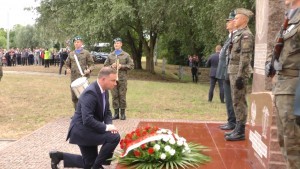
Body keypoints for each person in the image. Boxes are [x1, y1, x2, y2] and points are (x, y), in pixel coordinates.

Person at [49, 67, 120, 169]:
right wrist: (106, 128)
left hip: (90, 129)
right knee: (114, 137)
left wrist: (110, 125)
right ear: (103, 79)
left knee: (89, 163)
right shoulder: (90, 93)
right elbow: (87, 119)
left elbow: (107, 112)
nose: (115, 83)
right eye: (113, 80)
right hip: (82, 131)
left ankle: (59, 156)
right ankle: (97, 166)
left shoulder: (104, 90)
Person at [265, 0, 300, 168]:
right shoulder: (289, 19)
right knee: (284, 141)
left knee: (294, 143)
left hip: (295, 90)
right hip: (282, 88)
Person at [225, 8, 254, 141]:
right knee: (235, 100)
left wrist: (241, 76)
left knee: (239, 100)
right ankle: (237, 127)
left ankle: (241, 130)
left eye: (236, 18)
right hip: (233, 71)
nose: (234, 20)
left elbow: (245, 56)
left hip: (239, 73)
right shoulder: (238, 34)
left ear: (244, 20)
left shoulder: (246, 35)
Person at [216, 10, 237, 130]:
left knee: (230, 98)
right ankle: (231, 120)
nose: (227, 23)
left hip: (229, 71)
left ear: (235, 22)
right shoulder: (230, 36)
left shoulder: (235, 36)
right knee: (228, 98)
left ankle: (233, 122)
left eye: (229, 21)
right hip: (224, 71)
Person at [104, 37, 134, 120]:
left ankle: (123, 113)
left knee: (122, 95)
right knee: (114, 95)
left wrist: (122, 66)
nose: (116, 45)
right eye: (115, 43)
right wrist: (111, 66)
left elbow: (131, 66)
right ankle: (116, 113)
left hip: (122, 79)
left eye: (117, 43)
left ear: (121, 44)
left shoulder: (126, 55)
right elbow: (105, 66)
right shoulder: (110, 55)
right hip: (112, 79)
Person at [65, 36, 95, 109]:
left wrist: (89, 70)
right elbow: (66, 64)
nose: (76, 43)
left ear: (81, 43)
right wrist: (67, 69)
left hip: (83, 78)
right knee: (74, 96)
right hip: (74, 78)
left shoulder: (86, 53)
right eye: (75, 42)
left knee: (85, 96)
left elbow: (92, 65)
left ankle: (85, 112)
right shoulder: (71, 54)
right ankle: (77, 113)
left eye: (78, 42)